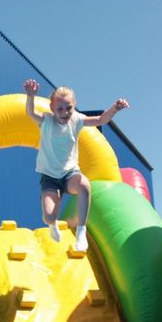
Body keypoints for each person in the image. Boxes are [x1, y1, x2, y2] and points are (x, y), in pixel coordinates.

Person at [23, 78, 129, 252]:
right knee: (49, 216)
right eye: (60, 109)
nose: (65, 112)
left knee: (84, 186)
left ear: (74, 106)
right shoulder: (46, 121)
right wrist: (30, 96)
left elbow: (101, 120)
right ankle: (52, 224)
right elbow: (30, 113)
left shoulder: (77, 120)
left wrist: (115, 108)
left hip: (69, 173)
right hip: (49, 176)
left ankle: (81, 230)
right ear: (52, 109)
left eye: (69, 108)